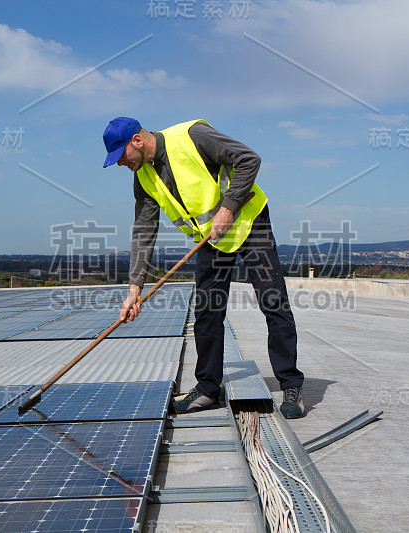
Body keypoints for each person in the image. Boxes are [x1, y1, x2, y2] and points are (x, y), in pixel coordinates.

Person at [102, 117, 305, 419]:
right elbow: (144, 228)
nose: (119, 164)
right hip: (210, 238)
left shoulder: (191, 137)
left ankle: (291, 384)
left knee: (273, 301)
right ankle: (208, 388)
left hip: (249, 222)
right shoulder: (142, 176)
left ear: (137, 141)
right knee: (207, 313)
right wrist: (135, 288)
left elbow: (249, 159)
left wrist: (228, 207)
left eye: (120, 156)